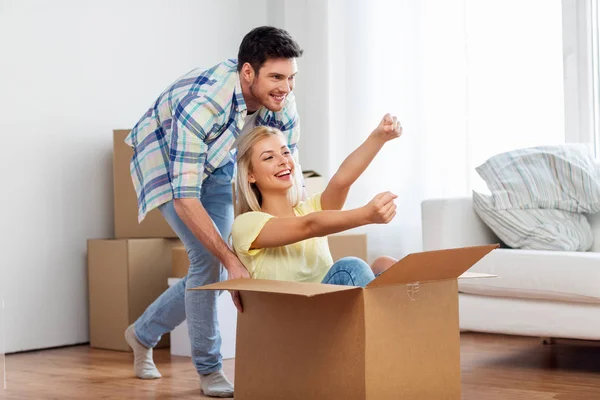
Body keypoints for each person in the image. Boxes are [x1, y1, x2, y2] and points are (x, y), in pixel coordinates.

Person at [122, 26, 303, 398]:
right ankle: (209, 369)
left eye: (290, 78)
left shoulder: (281, 101)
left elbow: (289, 175)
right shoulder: (204, 104)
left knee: (214, 265)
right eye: (276, 77)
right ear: (248, 72)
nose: (285, 87)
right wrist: (231, 259)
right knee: (212, 262)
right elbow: (186, 197)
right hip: (164, 159)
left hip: (219, 160)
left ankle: (141, 334)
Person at [230, 114, 402, 288]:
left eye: (285, 152)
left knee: (386, 264)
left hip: (332, 307)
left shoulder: (309, 209)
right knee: (351, 268)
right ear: (250, 175)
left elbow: (341, 182)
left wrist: (378, 137)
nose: (283, 161)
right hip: (298, 311)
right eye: (269, 157)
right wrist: (367, 215)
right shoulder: (246, 224)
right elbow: (309, 226)